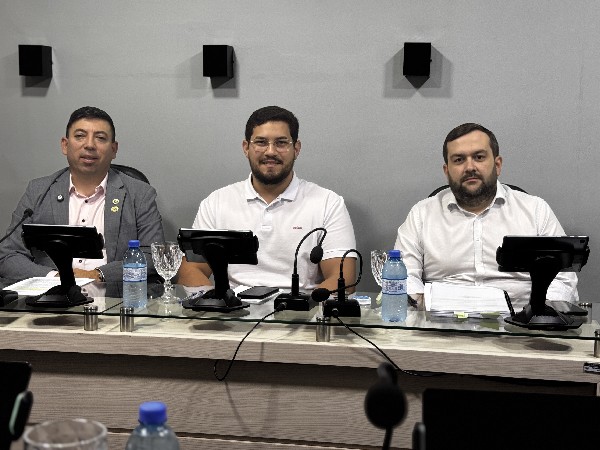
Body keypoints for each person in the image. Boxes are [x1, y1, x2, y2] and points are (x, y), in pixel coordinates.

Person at [394, 122, 578, 304]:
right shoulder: (421, 214)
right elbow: (402, 276)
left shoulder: (535, 210)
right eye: (459, 160)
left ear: (497, 165)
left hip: (520, 319)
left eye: (479, 157)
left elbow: (563, 279)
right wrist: (421, 305)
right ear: (446, 171)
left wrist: (538, 312)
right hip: (441, 320)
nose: (470, 167)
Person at [178, 105, 356, 292]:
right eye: (261, 142)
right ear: (246, 148)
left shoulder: (328, 203)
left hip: (301, 308)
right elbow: (191, 270)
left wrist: (302, 306)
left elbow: (342, 278)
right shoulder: (216, 203)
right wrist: (220, 302)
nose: (270, 151)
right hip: (234, 308)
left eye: (281, 143)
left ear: (296, 149)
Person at [0, 106, 164, 283]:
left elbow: (152, 256)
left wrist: (98, 274)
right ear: (65, 145)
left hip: (114, 295)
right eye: (80, 136)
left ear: (114, 149)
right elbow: (9, 254)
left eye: (100, 138)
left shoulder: (140, 194)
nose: (90, 145)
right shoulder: (38, 191)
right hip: (51, 294)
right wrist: (56, 278)